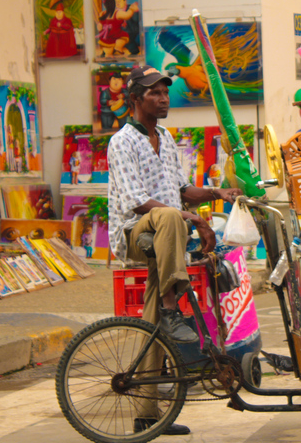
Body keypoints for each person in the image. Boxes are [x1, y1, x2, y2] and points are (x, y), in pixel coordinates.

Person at [108, 65, 241, 436]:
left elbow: (182, 189)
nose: (164, 98)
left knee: (151, 328)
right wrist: (191, 220)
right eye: (154, 93)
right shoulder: (122, 141)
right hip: (137, 232)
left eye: (166, 92)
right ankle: (172, 305)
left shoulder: (165, 138)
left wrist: (217, 194)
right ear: (135, 99)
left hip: (168, 238)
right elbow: (137, 202)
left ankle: (148, 414)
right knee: (168, 216)